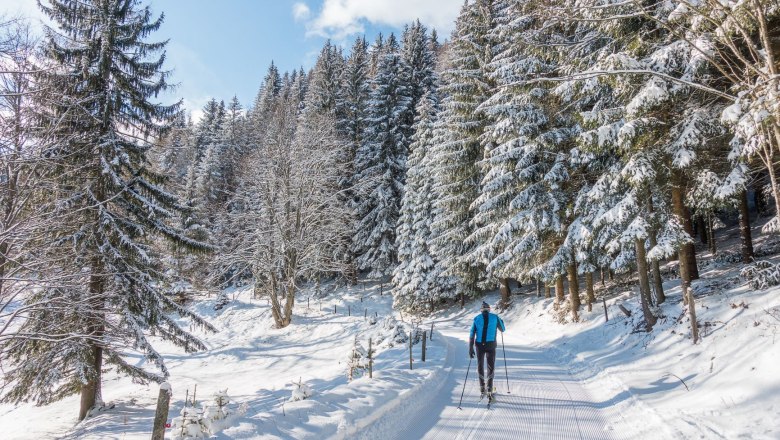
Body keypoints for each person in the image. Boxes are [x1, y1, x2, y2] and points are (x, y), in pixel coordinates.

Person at [469, 301, 506, 402]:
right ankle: (489, 388)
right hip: (491, 345)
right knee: (490, 366)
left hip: (479, 346)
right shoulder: (495, 317)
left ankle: (482, 387)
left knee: (480, 365)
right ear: (489, 309)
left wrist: (470, 347)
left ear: (481, 310)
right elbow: (502, 329)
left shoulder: (476, 318)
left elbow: (472, 333)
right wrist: (501, 321)